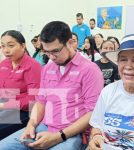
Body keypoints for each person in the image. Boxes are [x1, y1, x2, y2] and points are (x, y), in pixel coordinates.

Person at [0, 21, 104, 150]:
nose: (51, 57)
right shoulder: (48, 68)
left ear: (70, 42)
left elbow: (92, 113)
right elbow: (40, 102)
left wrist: (58, 136)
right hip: (44, 126)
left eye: (55, 51)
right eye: (46, 52)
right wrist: (31, 124)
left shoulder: (89, 70)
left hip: (72, 132)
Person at [89, 33, 134, 150]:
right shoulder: (108, 91)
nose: (128, 66)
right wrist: (96, 136)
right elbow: (96, 126)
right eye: (123, 60)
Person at [0, 30, 41, 139]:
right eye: (2, 46)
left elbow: (34, 100)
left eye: (11, 46)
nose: (6, 51)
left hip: (22, 111)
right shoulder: (4, 64)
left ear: (23, 46)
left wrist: (4, 105)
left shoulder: (33, 66)